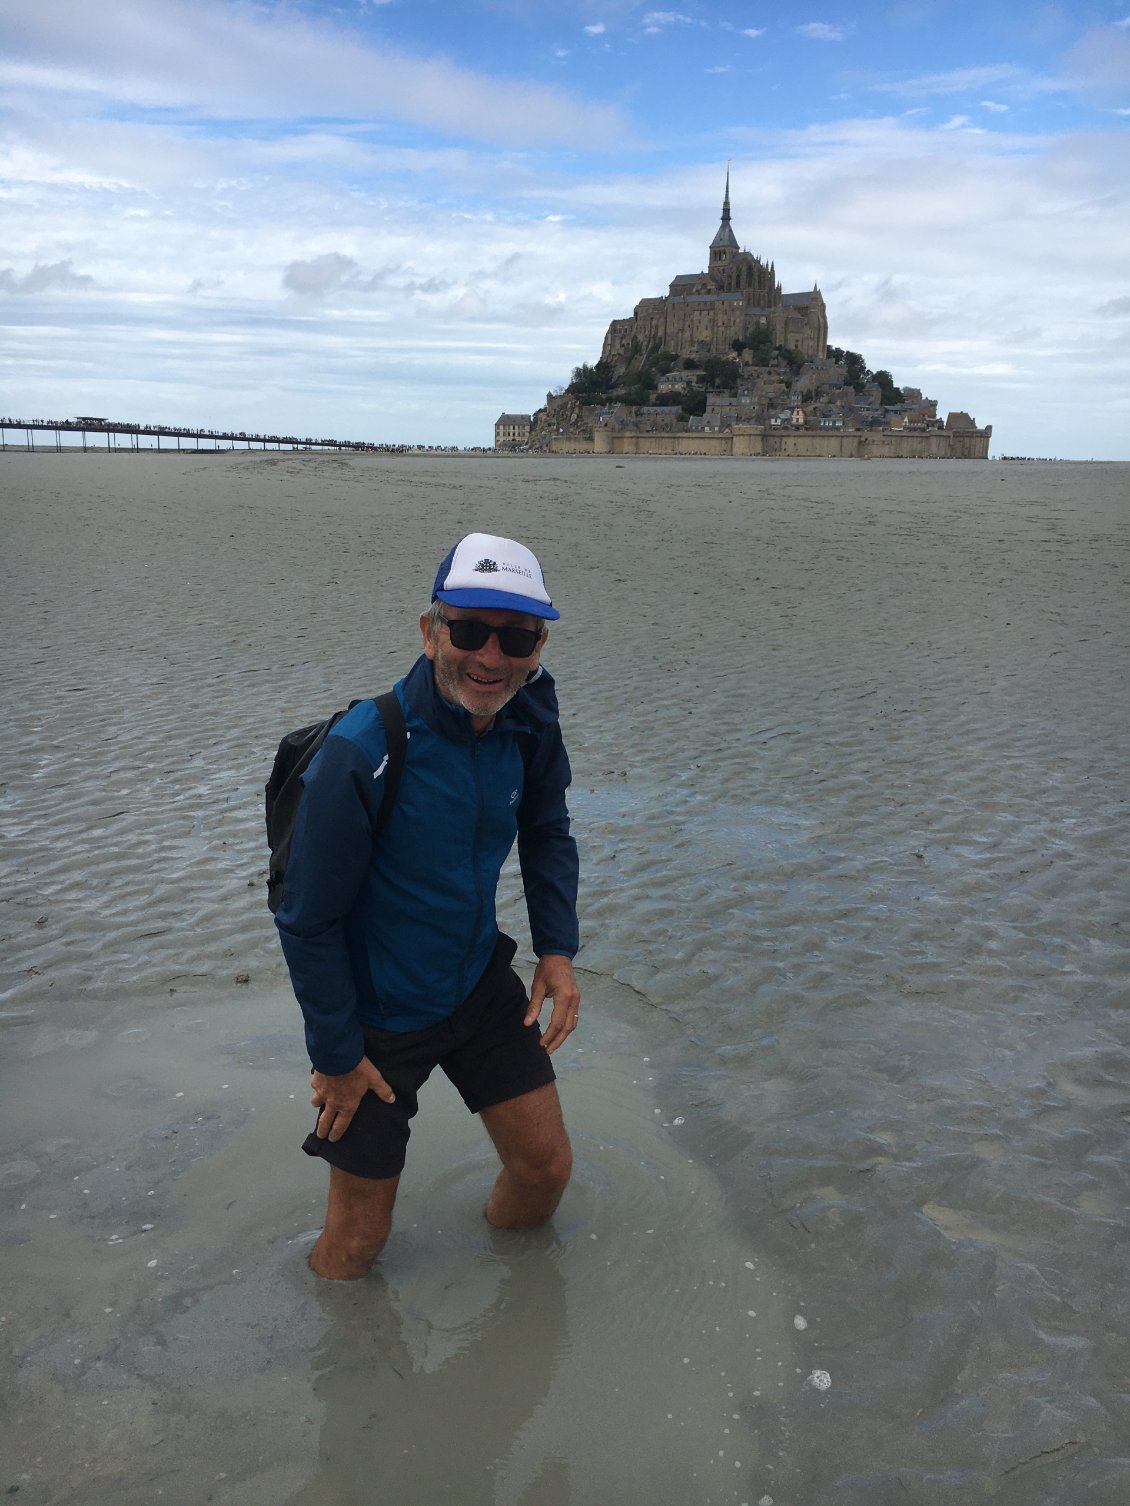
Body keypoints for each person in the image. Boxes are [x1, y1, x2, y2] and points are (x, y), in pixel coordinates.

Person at [275, 532, 580, 1280]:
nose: (490, 657)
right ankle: (337, 1367)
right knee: (357, 1244)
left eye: (515, 638)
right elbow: (307, 920)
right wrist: (337, 1057)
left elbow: (546, 831)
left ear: (539, 644)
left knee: (544, 1173)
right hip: (376, 1020)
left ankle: (518, 1303)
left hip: (477, 984)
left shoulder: (528, 720)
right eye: (469, 630)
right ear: (429, 629)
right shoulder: (363, 751)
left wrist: (558, 951)